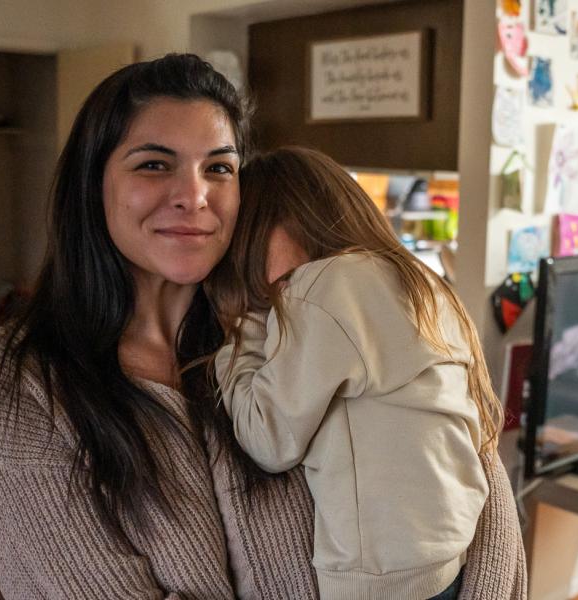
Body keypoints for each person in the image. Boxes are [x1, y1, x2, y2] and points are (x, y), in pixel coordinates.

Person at [0, 54, 526, 600]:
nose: (194, 196)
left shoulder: (282, 323)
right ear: (92, 184)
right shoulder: (17, 380)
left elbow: (470, 467)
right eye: (154, 164)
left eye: (219, 168)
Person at [212, 146, 506, 600]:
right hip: (451, 557)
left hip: (380, 578)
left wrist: (241, 327)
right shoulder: (421, 282)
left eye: (246, 241)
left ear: (287, 220)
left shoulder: (318, 289)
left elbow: (267, 439)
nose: (241, 264)